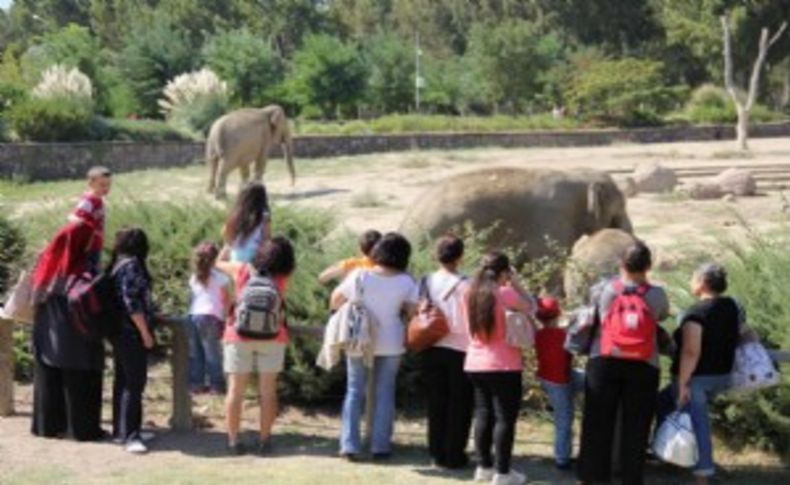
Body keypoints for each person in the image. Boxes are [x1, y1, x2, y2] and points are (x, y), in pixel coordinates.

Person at [577, 241, 670, 485]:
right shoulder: (657, 294)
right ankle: (631, 478)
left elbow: (588, 316)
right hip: (644, 363)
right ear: (648, 266)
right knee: (637, 426)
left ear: (620, 263)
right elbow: (661, 316)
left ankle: (593, 477)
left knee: (597, 421)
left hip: (603, 360)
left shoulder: (602, 290)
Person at [330, 232, 419, 461]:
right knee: (385, 392)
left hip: (360, 338)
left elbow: (335, 300)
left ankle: (349, 445)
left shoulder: (360, 275)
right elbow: (412, 312)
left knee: (354, 390)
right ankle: (381, 446)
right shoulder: (407, 281)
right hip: (391, 340)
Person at [656, 264, 743, 484]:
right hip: (722, 375)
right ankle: (670, 453)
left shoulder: (696, 314)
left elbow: (690, 352)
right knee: (662, 402)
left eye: (693, 278)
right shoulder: (732, 306)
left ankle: (702, 475)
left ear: (703, 282)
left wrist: (684, 384)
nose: (690, 281)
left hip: (697, 380)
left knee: (698, 424)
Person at [216, 236, 295, 455]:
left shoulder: (241, 270)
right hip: (273, 336)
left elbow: (217, 263)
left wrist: (230, 240)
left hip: (238, 335)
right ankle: (264, 440)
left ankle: (233, 440)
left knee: (235, 391)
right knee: (268, 392)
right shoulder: (283, 277)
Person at [30, 221, 106, 442]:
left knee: (48, 378)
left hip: (47, 329)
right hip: (76, 334)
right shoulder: (84, 269)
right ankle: (80, 429)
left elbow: (36, 299)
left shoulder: (46, 264)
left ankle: (48, 427)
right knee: (79, 379)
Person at [464, 252, 533, 485]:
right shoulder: (505, 293)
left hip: (475, 361)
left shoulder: (470, 293)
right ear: (504, 272)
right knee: (505, 419)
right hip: (504, 364)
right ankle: (503, 473)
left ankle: (483, 466)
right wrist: (516, 283)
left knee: (483, 414)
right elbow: (532, 306)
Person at [422, 235, 473, 469]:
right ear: (460, 257)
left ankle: (435, 453)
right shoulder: (468, 285)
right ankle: (455, 454)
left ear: (437, 255)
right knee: (460, 404)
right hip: (461, 348)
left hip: (432, 345)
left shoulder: (425, 281)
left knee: (436, 402)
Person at [108, 228, 157, 454]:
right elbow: (132, 304)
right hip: (131, 332)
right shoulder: (132, 266)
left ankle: (122, 429)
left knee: (122, 380)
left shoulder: (117, 264)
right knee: (134, 383)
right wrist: (145, 333)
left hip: (117, 330)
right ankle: (131, 435)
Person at [533, 296, 584, 471]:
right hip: (559, 381)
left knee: (564, 418)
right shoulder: (564, 335)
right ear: (558, 314)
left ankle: (563, 456)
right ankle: (562, 458)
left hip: (549, 378)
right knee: (564, 419)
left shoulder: (538, 334)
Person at [187, 242, 231, 395]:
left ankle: (196, 384)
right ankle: (216, 385)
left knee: (196, 352)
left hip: (193, 315)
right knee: (213, 353)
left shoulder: (194, 277)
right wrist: (226, 318)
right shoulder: (221, 278)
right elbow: (225, 300)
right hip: (211, 316)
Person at [67, 166, 112, 274]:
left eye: (108, 185)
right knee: (90, 274)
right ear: (91, 184)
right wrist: (77, 220)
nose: (106, 188)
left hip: (96, 244)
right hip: (88, 247)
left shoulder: (98, 199)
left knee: (95, 272)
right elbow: (73, 217)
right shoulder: (88, 201)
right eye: (102, 185)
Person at [221, 182, 271, 263]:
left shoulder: (235, 214)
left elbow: (226, 234)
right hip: (254, 255)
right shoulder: (263, 215)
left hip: (236, 255)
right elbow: (266, 239)